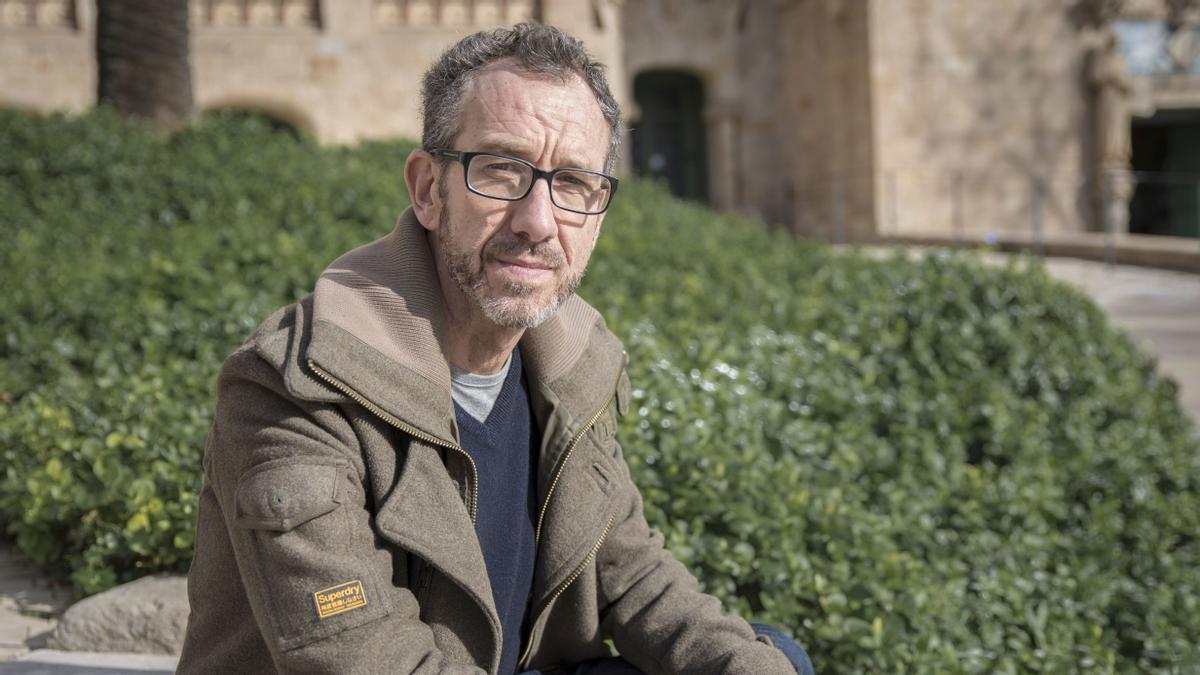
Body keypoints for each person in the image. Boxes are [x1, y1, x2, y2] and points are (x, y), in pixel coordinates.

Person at [178, 23, 814, 675]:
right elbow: (362, 655)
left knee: (768, 655)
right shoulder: (296, 386)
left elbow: (634, 578)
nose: (538, 221)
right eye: (503, 170)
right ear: (428, 189)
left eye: (572, 184)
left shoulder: (570, 367)